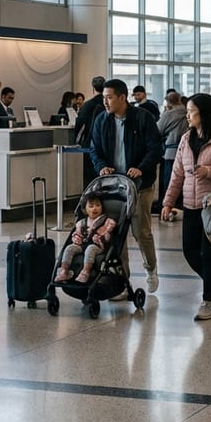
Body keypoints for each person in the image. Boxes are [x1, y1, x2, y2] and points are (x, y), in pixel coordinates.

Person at [161, 93, 211, 321]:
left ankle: (207, 301)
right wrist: (168, 202)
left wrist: (209, 171)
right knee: (189, 251)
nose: (187, 115)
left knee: (208, 254)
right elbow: (177, 174)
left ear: (204, 113)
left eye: (191, 111)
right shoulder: (186, 139)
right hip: (190, 205)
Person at [90, 79, 163, 294]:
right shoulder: (102, 120)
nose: (105, 101)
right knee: (116, 233)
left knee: (141, 232)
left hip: (140, 185)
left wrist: (141, 167)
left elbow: (154, 148)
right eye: (103, 97)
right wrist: (101, 166)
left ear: (123, 97)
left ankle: (151, 269)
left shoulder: (143, 118)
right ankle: (122, 280)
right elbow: (94, 149)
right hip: (114, 187)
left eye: (109, 97)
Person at [54, 193, 116, 284]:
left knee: (90, 249)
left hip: (98, 246)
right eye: (91, 206)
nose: (95, 208)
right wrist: (77, 239)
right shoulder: (82, 223)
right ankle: (64, 270)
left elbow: (108, 231)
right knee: (69, 248)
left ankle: (85, 271)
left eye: (98, 205)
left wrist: (102, 235)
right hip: (82, 244)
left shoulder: (106, 221)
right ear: (85, 209)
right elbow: (78, 234)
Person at [156, 90, 187, 216]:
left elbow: (158, 130)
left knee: (170, 182)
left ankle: (168, 207)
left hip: (170, 152)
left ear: (168, 102)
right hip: (185, 152)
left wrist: (164, 112)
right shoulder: (187, 112)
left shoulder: (169, 114)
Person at [74, 76, 107, 186]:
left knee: (89, 178)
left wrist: (76, 142)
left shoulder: (88, 105)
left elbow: (79, 124)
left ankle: (90, 201)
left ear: (93, 88)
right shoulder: (108, 103)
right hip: (106, 145)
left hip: (89, 145)